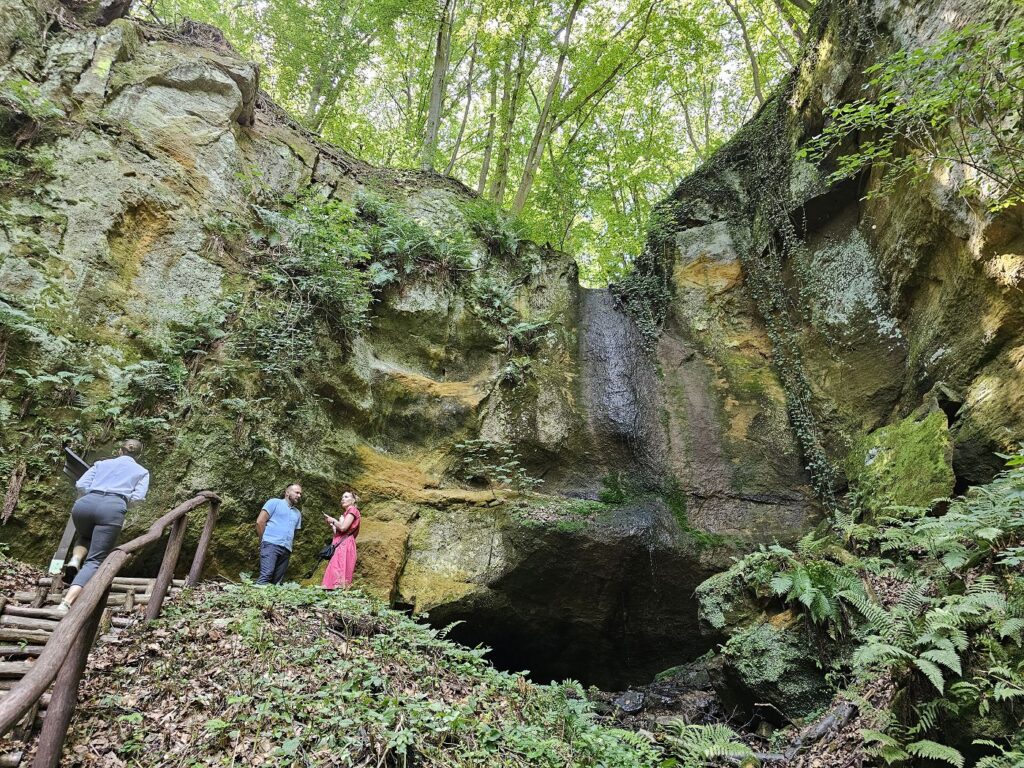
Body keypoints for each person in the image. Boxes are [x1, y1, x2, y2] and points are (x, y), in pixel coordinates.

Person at [57, 439, 150, 614]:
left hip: (85, 504)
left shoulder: (102, 463)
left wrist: (93, 496)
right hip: (113, 508)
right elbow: (138, 498)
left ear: (120, 451)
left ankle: (75, 559)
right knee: (95, 560)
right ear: (138, 455)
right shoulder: (142, 471)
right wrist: (119, 503)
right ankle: (66, 602)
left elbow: (81, 484)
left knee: (85, 535)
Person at [255, 483, 303, 585]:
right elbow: (260, 522)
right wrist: (262, 541)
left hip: (286, 549)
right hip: (271, 544)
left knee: (277, 581)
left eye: (300, 494)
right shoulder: (274, 503)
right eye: (297, 492)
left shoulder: (297, 513)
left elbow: (294, 532)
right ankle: (252, 599)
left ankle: (269, 601)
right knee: (266, 574)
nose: (299, 496)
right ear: (287, 492)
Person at [321, 491, 360, 590]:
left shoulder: (352, 510)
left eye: (346, 497)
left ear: (353, 500)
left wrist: (333, 520)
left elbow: (343, 528)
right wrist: (333, 525)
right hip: (342, 544)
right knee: (337, 570)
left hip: (345, 545)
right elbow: (340, 532)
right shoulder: (346, 513)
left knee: (338, 570)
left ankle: (335, 596)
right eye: (342, 497)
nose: (343, 499)